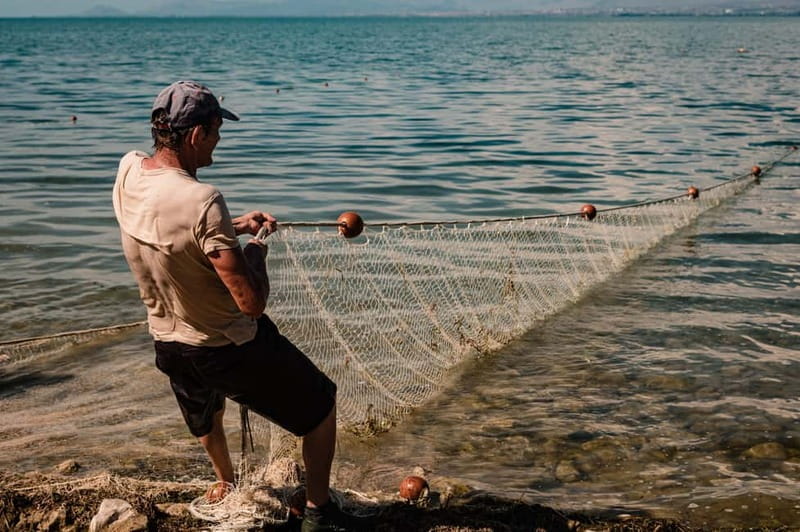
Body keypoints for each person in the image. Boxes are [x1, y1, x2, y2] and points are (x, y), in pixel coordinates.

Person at [113, 80, 364, 531]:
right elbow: (250, 303)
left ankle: (226, 482)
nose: (219, 140)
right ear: (194, 135)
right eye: (215, 130)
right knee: (322, 411)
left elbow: (171, 235)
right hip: (225, 345)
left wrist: (234, 227)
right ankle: (319, 513)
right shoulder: (203, 199)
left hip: (167, 340)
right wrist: (255, 251)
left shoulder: (129, 170)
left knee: (205, 411)